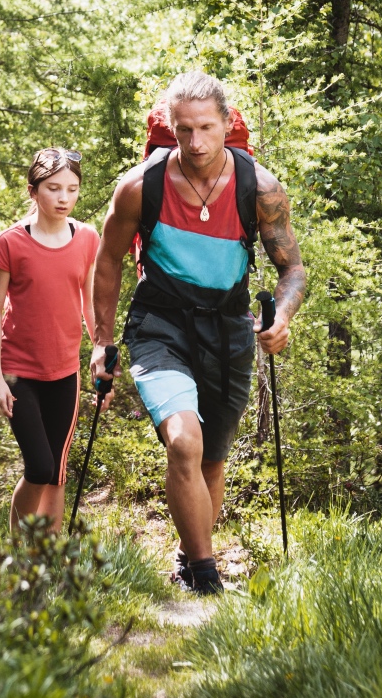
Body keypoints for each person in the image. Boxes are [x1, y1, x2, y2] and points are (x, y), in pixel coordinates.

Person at [91, 72, 306, 595]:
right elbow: (107, 262)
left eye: (206, 128)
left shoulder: (261, 188)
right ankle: (206, 579)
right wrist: (101, 339)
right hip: (158, 322)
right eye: (183, 129)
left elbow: (292, 270)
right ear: (170, 126)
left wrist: (281, 317)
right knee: (183, 441)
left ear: (227, 124)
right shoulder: (142, 187)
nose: (194, 142)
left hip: (229, 326)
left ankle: (190, 557)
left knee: (211, 455)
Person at [0, 148, 102, 533]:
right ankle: (17, 552)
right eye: (53, 189)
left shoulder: (87, 238)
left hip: (65, 371)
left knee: (56, 472)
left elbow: (88, 302)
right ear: (33, 192)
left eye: (72, 189)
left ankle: (48, 555)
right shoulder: (11, 243)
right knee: (39, 466)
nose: (64, 198)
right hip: (19, 374)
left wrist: (100, 348)